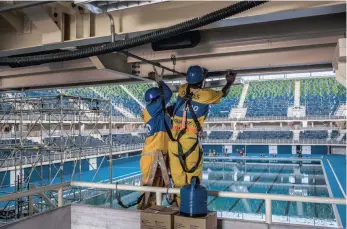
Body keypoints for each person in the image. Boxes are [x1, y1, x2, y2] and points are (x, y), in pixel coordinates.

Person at [168, 65, 236, 205]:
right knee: (193, 179)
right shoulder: (207, 95)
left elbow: (192, 88)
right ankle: (190, 209)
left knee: (178, 179)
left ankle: (179, 207)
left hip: (173, 141)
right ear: (201, 80)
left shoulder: (182, 89)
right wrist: (229, 81)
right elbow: (224, 93)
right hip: (190, 143)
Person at [139, 77, 172, 208]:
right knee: (147, 191)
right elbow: (168, 93)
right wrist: (160, 81)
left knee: (158, 190)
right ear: (157, 99)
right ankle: (140, 217)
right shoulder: (149, 110)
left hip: (160, 153)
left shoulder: (161, 113)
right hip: (151, 154)